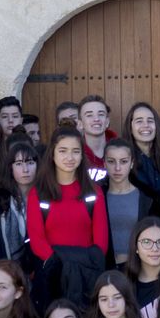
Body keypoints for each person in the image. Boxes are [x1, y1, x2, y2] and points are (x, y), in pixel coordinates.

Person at [27, 126, 109, 305]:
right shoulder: (38, 193)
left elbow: (101, 242)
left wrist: (81, 266)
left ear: (82, 155)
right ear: (53, 154)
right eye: (63, 151)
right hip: (52, 274)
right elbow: (36, 239)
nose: (70, 158)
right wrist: (58, 264)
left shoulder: (94, 192)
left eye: (75, 151)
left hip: (86, 276)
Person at [0, 139, 34, 265]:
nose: (25, 169)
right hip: (4, 271)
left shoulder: (46, 200)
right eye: (18, 164)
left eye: (30, 162)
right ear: (10, 168)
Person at [102, 139, 146, 262]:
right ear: (104, 163)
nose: (117, 168)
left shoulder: (146, 199)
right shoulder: (97, 197)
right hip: (105, 269)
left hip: (136, 268)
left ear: (132, 163)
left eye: (124, 162)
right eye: (111, 161)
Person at [123, 102, 160, 203]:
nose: (146, 125)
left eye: (150, 121)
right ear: (130, 128)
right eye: (139, 121)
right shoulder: (124, 160)